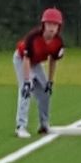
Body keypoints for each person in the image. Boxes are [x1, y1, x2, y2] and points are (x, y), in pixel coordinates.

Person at [12, 8, 66, 139]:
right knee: (26, 90)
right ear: (44, 25)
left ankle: (44, 124)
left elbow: (53, 61)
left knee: (45, 91)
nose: (51, 28)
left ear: (59, 27)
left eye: (55, 25)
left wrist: (50, 81)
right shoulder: (33, 37)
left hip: (36, 63)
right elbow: (26, 58)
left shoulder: (58, 42)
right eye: (49, 24)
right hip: (22, 60)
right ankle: (21, 126)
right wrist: (27, 81)